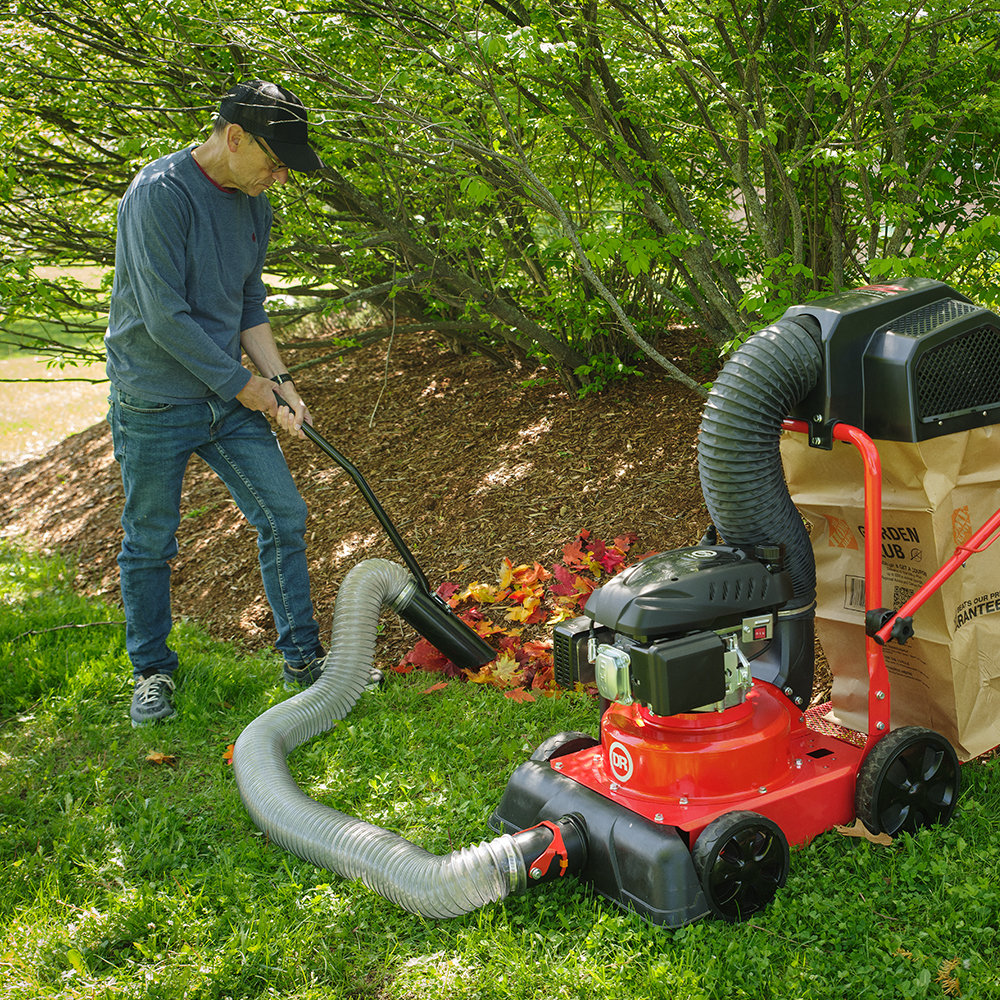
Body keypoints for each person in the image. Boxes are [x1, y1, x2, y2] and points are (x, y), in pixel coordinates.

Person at [105, 80, 328, 726]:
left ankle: (302, 662)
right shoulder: (158, 197)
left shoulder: (253, 201)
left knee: (284, 514)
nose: (280, 177)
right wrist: (247, 387)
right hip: (154, 400)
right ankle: (151, 672)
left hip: (224, 397)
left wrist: (281, 380)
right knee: (150, 540)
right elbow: (165, 319)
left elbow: (248, 302)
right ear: (234, 138)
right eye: (275, 161)